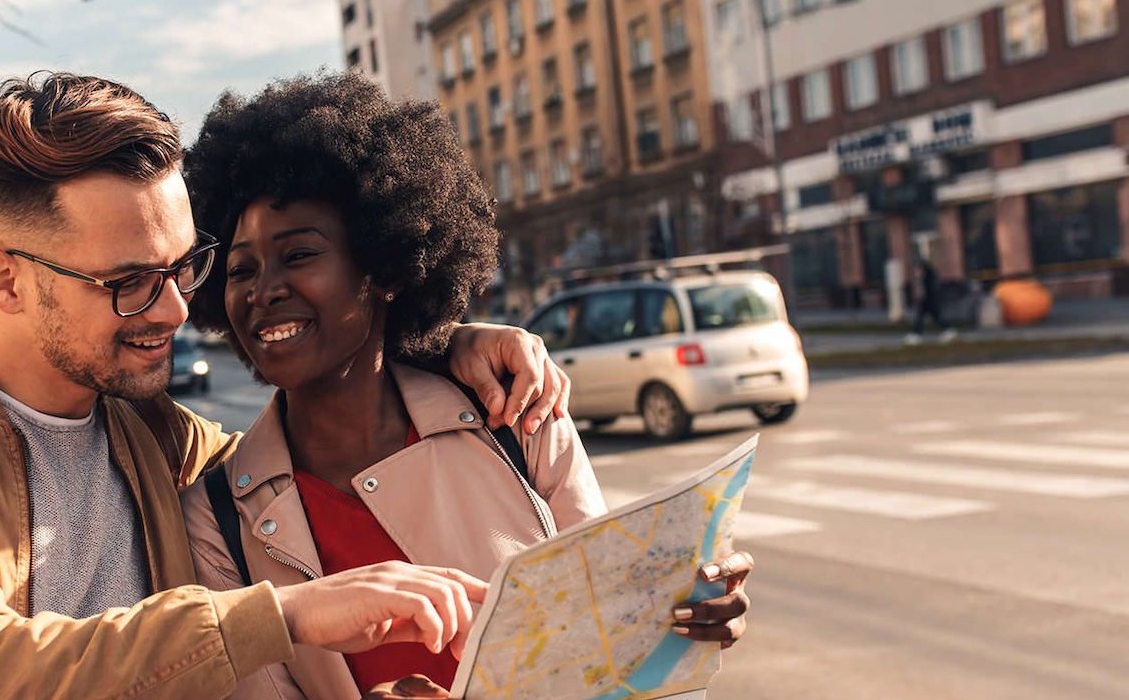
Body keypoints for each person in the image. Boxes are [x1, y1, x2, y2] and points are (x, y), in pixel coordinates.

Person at [0, 72, 576, 699]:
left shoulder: (161, 439)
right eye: (128, 282)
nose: (174, 309)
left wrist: (439, 343)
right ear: (5, 281)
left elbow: (319, 429)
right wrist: (283, 616)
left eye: (183, 266)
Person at [178, 73, 754, 699]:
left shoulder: (515, 411)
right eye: (240, 269)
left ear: (385, 269)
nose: (263, 290)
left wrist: (677, 619)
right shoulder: (217, 515)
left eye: (298, 256)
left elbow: (610, 643)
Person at [906, 252, 955, 345]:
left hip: (930, 299)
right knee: (929, 317)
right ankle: (946, 330)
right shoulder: (925, 274)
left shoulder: (928, 274)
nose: (915, 270)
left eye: (916, 267)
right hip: (927, 300)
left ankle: (916, 334)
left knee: (926, 317)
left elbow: (929, 287)